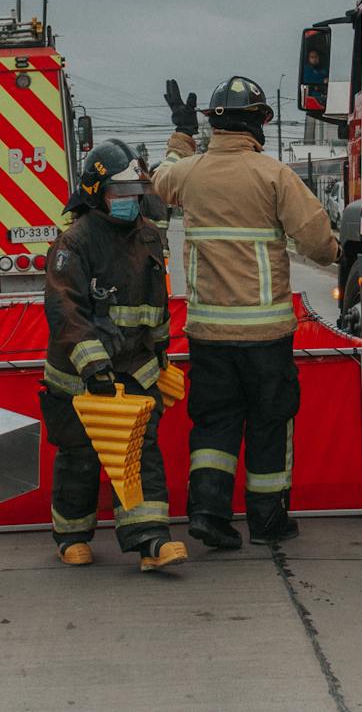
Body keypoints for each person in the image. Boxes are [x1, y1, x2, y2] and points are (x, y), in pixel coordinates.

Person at [152, 76, 340, 549]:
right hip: (266, 338)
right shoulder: (274, 175)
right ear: (259, 122)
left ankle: (209, 513)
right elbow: (319, 244)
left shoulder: (188, 172)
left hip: (208, 334)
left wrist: (180, 135)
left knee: (214, 424)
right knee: (268, 424)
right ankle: (266, 519)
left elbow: (157, 180)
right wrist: (336, 250)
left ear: (213, 124)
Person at [40, 140, 187, 572]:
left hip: (135, 367)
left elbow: (155, 300)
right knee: (80, 457)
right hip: (77, 377)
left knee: (142, 453)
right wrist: (95, 368)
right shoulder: (74, 241)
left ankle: (151, 542)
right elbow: (65, 310)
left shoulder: (146, 235)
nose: (128, 201)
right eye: (118, 193)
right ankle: (71, 537)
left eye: (133, 194)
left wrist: (160, 350)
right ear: (95, 192)